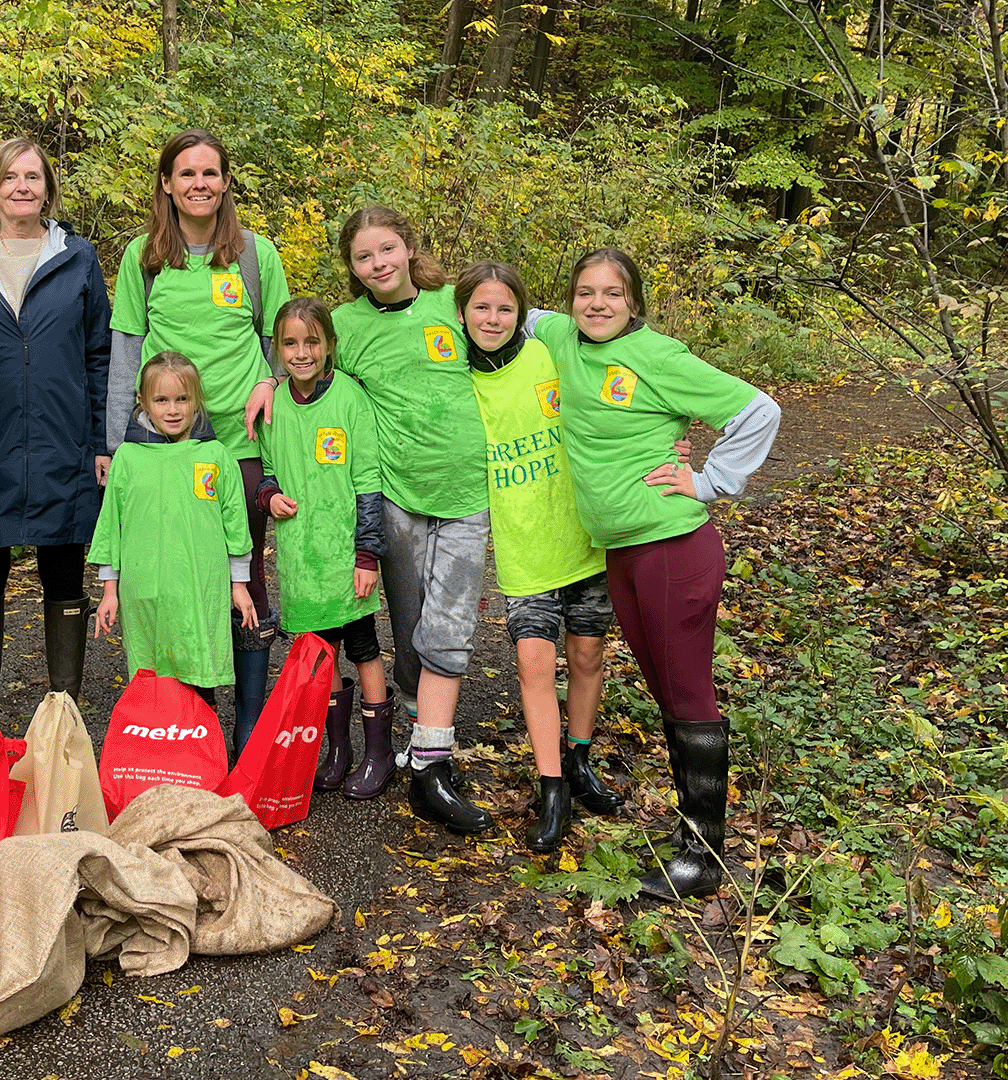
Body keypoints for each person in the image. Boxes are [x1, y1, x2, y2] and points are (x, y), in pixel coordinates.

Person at [529, 248, 780, 899]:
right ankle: (690, 836)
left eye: (612, 293)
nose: (598, 304)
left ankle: (701, 856)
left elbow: (759, 411)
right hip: (622, 553)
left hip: (673, 549)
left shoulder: (659, 357)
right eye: (585, 292)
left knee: (689, 695)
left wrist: (710, 480)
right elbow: (491, 309)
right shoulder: (559, 334)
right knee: (668, 693)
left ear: (633, 302)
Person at [249, 205, 492, 833]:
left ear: (409, 246)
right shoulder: (348, 324)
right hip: (397, 493)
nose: (378, 263)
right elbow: (311, 357)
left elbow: (517, 335)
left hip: (466, 489)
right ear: (351, 268)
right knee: (410, 623)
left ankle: (428, 753)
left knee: (449, 625)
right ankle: (410, 733)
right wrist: (271, 380)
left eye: (387, 249)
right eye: (363, 257)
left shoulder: (452, 301)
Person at [107, 129, 289, 743]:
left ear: (226, 182)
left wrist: (273, 381)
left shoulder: (254, 257)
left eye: (210, 173)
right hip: (164, 450)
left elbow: (279, 342)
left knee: (243, 576)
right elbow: (126, 353)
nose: (199, 184)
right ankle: (192, 723)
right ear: (167, 184)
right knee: (180, 578)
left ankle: (251, 724)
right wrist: (116, 442)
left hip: (239, 445)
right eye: (186, 174)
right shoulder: (144, 258)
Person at [0, 137, 111, 723]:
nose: (22, 187)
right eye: (10, 178)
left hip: (63, 440)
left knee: (63, 569)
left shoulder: (77, 259)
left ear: (47, 188)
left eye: (33, 176)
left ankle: (65, 713)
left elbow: (100, 352)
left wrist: (104, 440)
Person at [456, 261, 627, 854]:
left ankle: (580, 763)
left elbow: (620, 382)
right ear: (462, 313)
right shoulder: (456, 376)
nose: (493, 318)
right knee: (533, 663)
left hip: (581, 534)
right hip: (523, 543)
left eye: (505, 308)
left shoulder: (549, 351)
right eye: (481, 307)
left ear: (523, 314)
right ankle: (551, 787)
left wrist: (668, 438)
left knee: (586, 656)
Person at [251, 297, 388, 789]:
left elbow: (368, 480)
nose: (301, 352)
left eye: (312, 342)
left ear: (329, 346)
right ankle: (337, 749)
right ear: (278, 348)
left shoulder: (350, 399)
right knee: (321, 654)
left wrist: (366, 554)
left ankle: (378, 754)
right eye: (290, 343)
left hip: (345, 558)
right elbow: (267, 472)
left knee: (364, 648)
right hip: (301, 560)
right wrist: (269, 498)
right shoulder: (273, 404)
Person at [90, 353, 257, 729]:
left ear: (197, 400)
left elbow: (235, 523)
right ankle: (158, 758)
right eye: (161, 400)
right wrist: (109, 591)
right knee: (152, 677)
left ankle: (202, 758)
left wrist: (240, 584)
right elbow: (110, 528)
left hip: (200, 590)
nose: (173, 409)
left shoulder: (214, 456)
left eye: (182, 399)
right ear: (144, 403)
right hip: (144, 590)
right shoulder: (129, 459)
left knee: (199, 674)